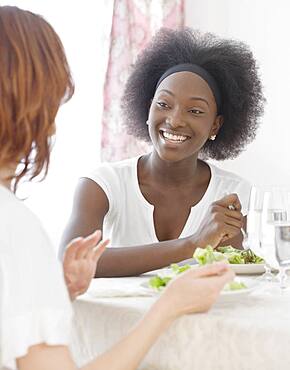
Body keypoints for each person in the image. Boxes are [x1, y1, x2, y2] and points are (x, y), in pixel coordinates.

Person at [0, 6, 234, 370]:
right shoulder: (15, 226)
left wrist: (55, 291)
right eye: (52, 103)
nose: (52, 128)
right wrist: (169, 306)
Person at [60, 28, 265, 277]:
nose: (175, 120)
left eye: (196, 111)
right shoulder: (102, 185)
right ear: (148, 110)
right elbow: (71, 262)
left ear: (216, 125)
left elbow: (243, 278)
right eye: (164, 104)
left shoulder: (235, 196)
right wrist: (193, 244)